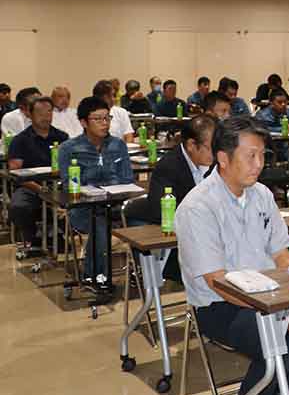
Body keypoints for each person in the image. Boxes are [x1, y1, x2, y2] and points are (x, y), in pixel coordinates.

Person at [175, 116, 289, 395]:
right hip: (222, 305)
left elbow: (282, 255)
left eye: (262, 155)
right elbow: (216, 281)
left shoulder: (262, 195)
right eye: (250, 156)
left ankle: (282, 390)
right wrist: (276, 308)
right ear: (223, 158)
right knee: (282, 348)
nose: (259, 164)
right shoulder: (198, 207)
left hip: (275, 296)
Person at [127, 115, 217, 279]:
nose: (217, 153)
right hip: (168, 229)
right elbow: (163, 212)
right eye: (212, 147)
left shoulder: (214, 163)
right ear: (191, 145)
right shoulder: (168, 166)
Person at [58, 96, 133, 289]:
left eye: (107, 118)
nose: (104, 123)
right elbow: (68, 186)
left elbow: (127, 179)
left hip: (115, 205)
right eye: (98, 119)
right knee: (99, 225)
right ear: (84, 122)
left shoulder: (118, 145)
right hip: (84, 208)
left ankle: (141, 270)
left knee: (145, 218)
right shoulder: (68, 149)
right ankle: (95, 278)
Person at [7, 96, 67, 249]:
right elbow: (15, 172)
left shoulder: (62, 137)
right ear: (30, 114)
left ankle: (59, 234)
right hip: (30, 186)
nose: (46, 117)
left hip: (59, 185)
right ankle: (33, 237)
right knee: (18, 206)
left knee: (81, 203)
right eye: (40, 113)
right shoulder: (20, 140)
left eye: (49, 112)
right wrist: (40, 189)